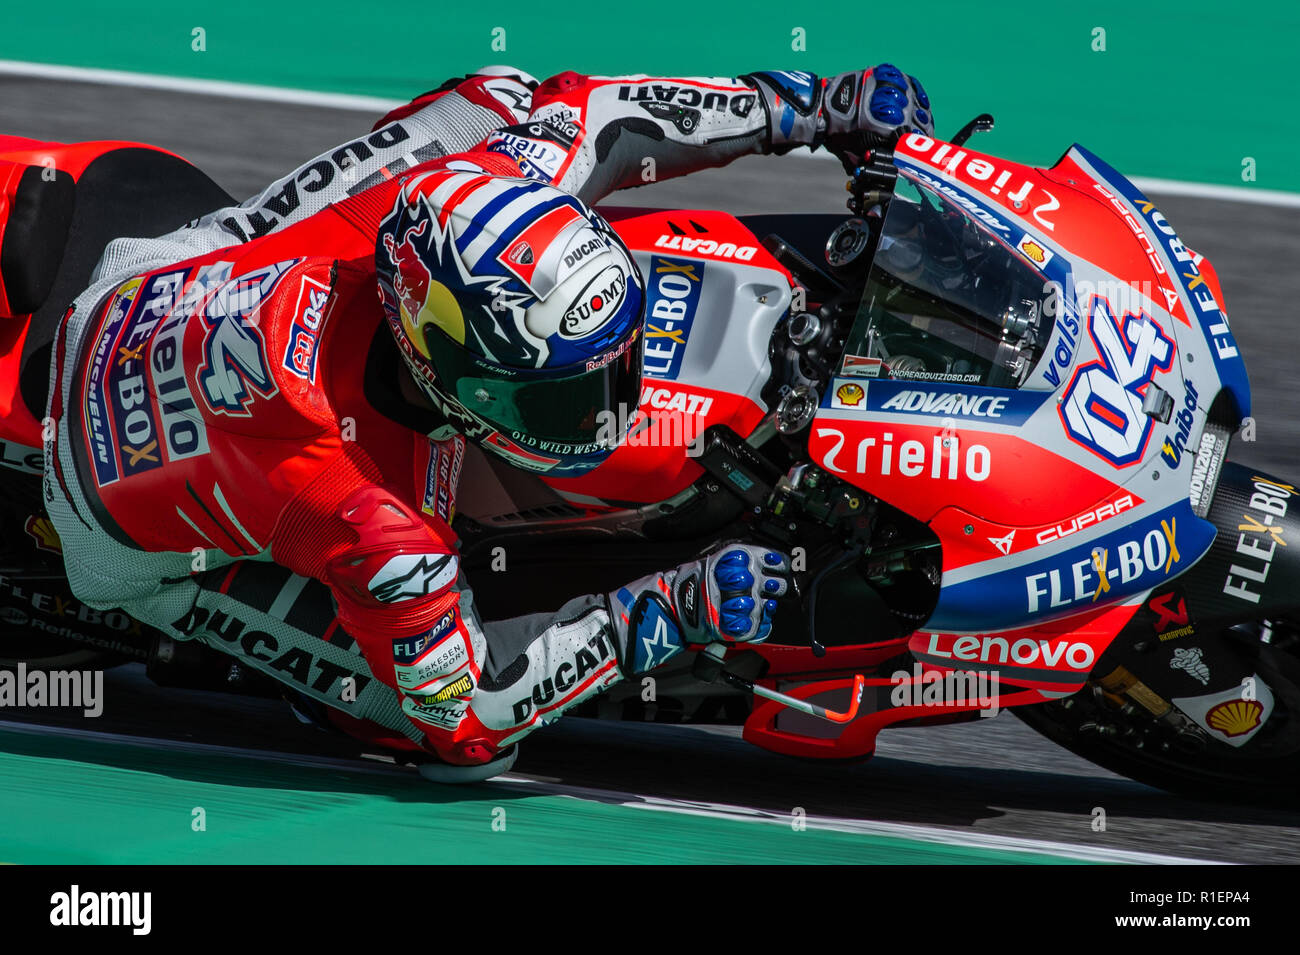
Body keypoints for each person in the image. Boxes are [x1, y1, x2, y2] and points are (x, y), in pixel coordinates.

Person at [41, 63, 933, 775]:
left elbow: (601, 112)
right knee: (439, 736)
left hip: (160, 271)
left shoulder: (473, 184)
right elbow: (467, 715)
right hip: (109, 525)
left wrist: (806, 110)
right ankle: (210, 617)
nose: (614, 407)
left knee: (496, 98)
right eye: (565, 394)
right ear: (447, 372)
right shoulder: (384, 526)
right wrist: (667, 608)